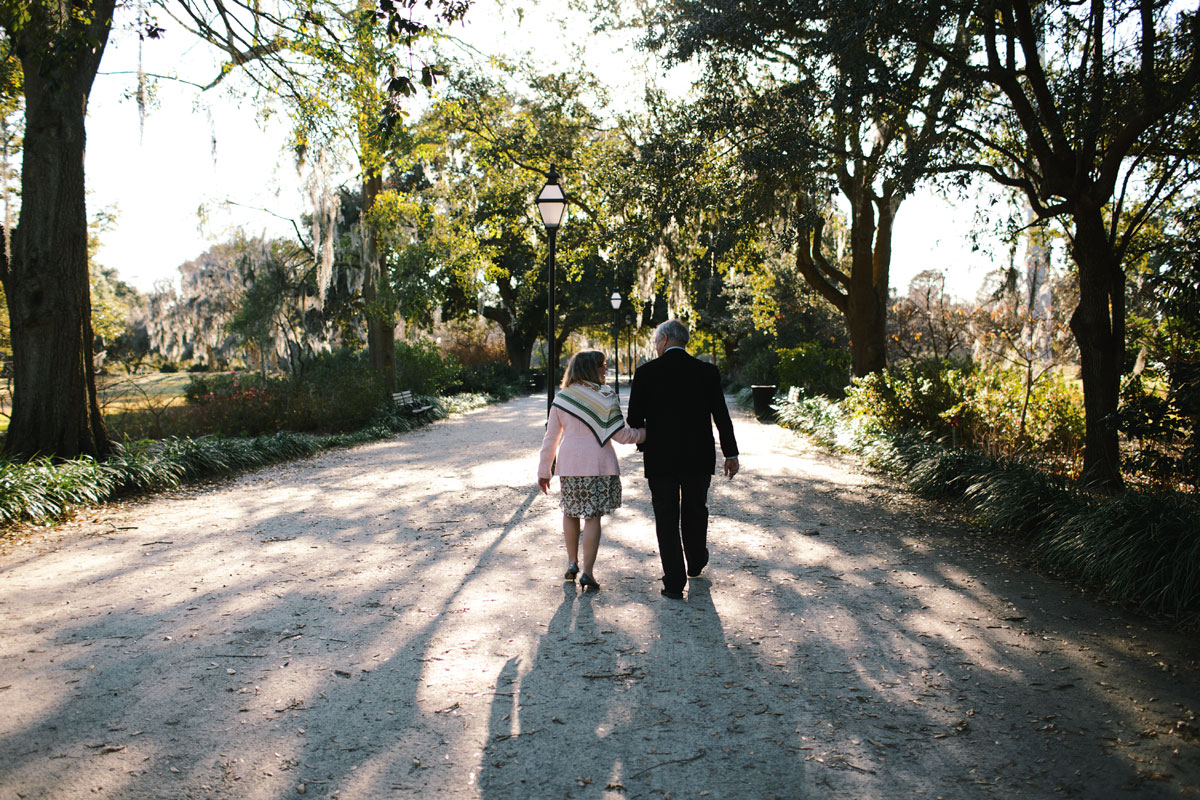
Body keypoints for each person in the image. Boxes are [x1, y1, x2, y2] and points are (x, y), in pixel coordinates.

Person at [626, 320, 739, 599]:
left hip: (660, 457)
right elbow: (721, 415)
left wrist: (647, 435)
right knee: (696, 510)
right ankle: (696, 561)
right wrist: (730, 453)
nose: (655, 346)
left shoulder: (646, 372)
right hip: (698, 455)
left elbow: (634, 418)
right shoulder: (706, 371)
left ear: (664, 339)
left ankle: (674, 583)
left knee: (666, 517)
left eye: (656, 341)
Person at [537, 349, 646, 592]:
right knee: (592, 517)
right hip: (598, 464)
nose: (605, 369)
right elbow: (621, 435)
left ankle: (572, 562)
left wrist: (544, 471)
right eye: (601, 365)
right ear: (590, 368)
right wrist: (644, 434)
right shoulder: (606, 396)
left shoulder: (562, 398)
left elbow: (550, 438)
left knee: (570, 512)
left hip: (570, 464)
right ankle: (588, 572)